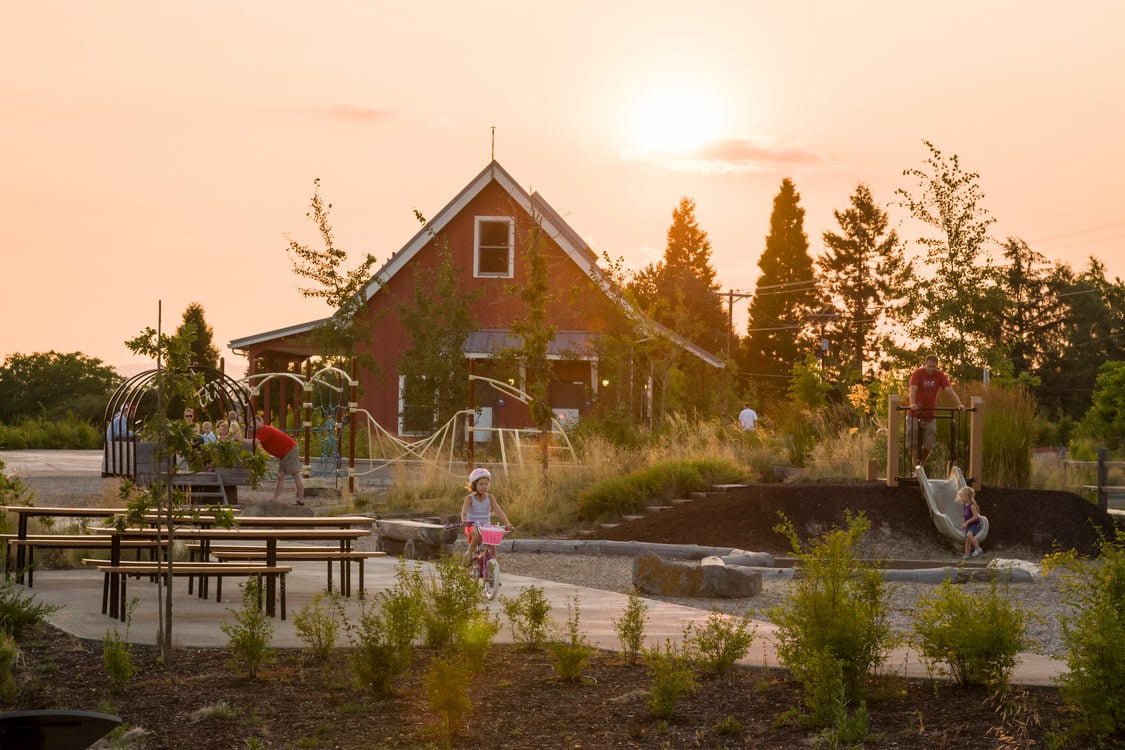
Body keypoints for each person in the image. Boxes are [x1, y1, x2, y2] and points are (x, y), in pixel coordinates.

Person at [906, 355, 965, 467]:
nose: (931, 369)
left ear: (937, 366)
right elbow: (913, 389)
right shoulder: (918, 373)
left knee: (929, 443)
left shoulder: (940, 376)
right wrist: (912, 403)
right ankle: (916, 468)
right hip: (914, 414)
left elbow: (949, 390)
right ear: (925, 365)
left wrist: (959, 404)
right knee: (914, 443)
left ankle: (920, 466)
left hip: (929, 416)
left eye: (934, 367)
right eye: (929, 366)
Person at [245, 414, 305, 506]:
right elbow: (254, 445)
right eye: (253, 423)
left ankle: (301, 500)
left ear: (261, 422)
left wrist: (240, 439)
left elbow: (254, 442)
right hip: (283, 454)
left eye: (256, 422)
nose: (254, 424)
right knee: (281, 476)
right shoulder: (260, 432)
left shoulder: (265, 430)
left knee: (296, 473)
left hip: (289, 450)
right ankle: (275, 500)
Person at [459, 467, 513, 563]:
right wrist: (465, 522)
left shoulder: (490, 497)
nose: (484, 487)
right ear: (474, 485)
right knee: (479, 533)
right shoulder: (469, 498)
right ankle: (469, 552)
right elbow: (464, 513)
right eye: (481, 484)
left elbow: (498, 511)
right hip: (472, 526)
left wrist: (507, 523)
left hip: (486, 526)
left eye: (486, 484)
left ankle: (493, 564)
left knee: (493, 540)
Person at [956, 486, 984, 559]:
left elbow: (975, 517)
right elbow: (967, 516)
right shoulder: (965, 505)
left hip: (975, 525)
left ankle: (978, 549)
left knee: (969, 535)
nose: (961, 498)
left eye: (962, 496)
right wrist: (964, 524)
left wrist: (967, 522)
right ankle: (967, 554)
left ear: (967, 496)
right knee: (967, 541)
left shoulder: (972, 506)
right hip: (969, 525)